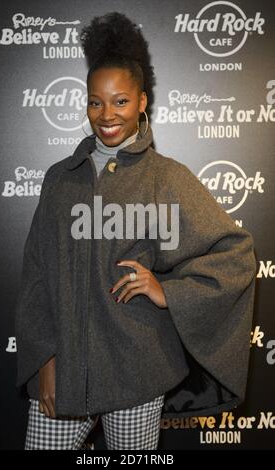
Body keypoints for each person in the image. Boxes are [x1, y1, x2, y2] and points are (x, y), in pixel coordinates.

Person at [15, 12, 257, 450]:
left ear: (142, 102)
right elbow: (36, 275)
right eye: (95, 102)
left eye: (120, 101)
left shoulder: (166, 178)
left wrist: (168, 291)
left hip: (138, 375)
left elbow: (235, 252)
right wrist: (42, 360)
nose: (107, 115)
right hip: (65, 373)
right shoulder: (60, 179)